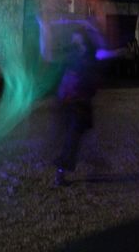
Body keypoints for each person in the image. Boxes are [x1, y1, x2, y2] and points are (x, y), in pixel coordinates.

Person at [53, 28, 99, 186]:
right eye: (75, 41)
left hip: (78, 105)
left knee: (74, 137)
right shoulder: (74, 58)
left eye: (78, 41)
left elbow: (91, 84)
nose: (76, 44)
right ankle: (61, 171)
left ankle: (65, 166)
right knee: (72, 138)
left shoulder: (86, 59)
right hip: (72, 105)